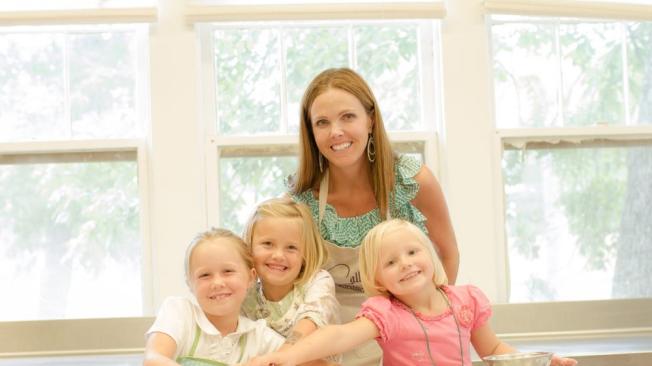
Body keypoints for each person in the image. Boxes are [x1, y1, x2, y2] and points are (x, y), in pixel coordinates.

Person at [286, 67, 460, 364]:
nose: (336, 132)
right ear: (311, 132)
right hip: (329, 346)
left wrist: (432, 321)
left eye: (348, 117)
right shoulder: (302, 200)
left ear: (370, 120)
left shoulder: (412, 182)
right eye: (322, 122)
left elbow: (448, 254)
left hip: (404, 342)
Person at [245, 219, 578, 366]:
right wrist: (286, 356)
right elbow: (337, 337)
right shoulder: (385, 314)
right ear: (378, 279)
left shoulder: (466, 300)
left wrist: (544, 362)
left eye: (412, 253)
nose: (405, 264)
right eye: (390, 262)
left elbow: (492, 348)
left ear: (430, 255)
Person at [144, 228, 285, 366]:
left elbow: (295, 359)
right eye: (205, 275)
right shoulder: (181, 313)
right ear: (190, 284)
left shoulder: (259, 336)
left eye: (228, 271)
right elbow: (153, 360)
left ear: (250, 277)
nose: (217, 283)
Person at [241, 198, 340, 364]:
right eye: (268, 244)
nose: (279, 255)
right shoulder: (247, 296)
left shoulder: (317, 282)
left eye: (291, 247)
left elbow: (310, 321)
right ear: (249, 248)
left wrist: (282, 355)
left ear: (305, 254)